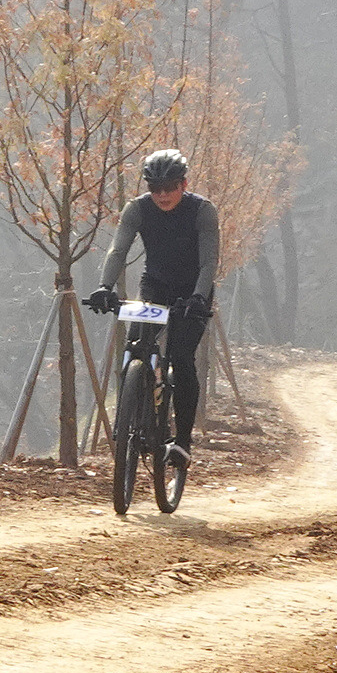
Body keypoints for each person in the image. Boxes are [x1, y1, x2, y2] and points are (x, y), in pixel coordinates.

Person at [84, 149, 219, 476]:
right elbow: (118, 250)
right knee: (135, 346)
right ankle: (133, 414)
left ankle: (182, 442)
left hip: (193, 292)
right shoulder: (137, 209)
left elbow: (208, 262)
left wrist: (198, 298)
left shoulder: (202, 211)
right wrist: (105, 287)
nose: (162, 195)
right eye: (154, 187)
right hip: (155, 287)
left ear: (184, 184)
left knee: (182, 358)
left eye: (169, 187)